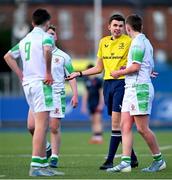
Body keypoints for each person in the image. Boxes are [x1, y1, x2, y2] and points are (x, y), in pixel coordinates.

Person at [66, 14, 138, 169]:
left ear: (124, 27)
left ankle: (110, 160)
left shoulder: (129, 41)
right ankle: (133, 158)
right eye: (115, 25)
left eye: (120, 25)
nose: (118, 28)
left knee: (115, 123)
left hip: (122, 83)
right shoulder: (103, 42)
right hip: (108, 85)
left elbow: (138, 61)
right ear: (109, 27)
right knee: (118, 124)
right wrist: (79, 73)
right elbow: (99, 68)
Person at [4, 9, 61, 176]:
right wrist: (49, 73)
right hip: (41, 83)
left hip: (28, 84)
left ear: (32, 23)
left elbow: (8, 56)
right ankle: (36, 166)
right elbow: (47, 51)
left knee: (38, 125)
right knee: (41, 126)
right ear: (48, 23)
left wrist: (20, 74)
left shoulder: (24, 40)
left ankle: (43, 165)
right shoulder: (46, 37)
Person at [107, 14, 166, 173]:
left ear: (127, 28)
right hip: (131, 87)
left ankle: (159, 160)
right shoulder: (143, 42)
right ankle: (126, 162)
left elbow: (136, 67)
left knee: (142, 128)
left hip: (140, 89)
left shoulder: (138, 43)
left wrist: (119, 73)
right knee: (124, 125)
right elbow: (145, 66)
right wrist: (125, 71)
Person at [27, 25, 78, 168]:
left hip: (56, 94)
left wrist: (75, 95)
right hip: (39, 93)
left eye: (51, 34)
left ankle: (54, 156)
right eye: (46, 34)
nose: (49, 36)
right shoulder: (37, 54)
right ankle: (47, 147)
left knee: (54, 127)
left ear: (55, 37)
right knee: (31, 126)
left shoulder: (63, 56)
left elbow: (71, 77)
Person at [81, 64, 104, 144]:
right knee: (93, 121)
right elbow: (86, 93)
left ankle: (99, 138)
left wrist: (101, 104)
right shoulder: (86, 80)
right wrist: (83, 106)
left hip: (97, 103)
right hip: (90, 103)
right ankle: (95, 137)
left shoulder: (98, 80)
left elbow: (101, 93)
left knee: (98, 120)